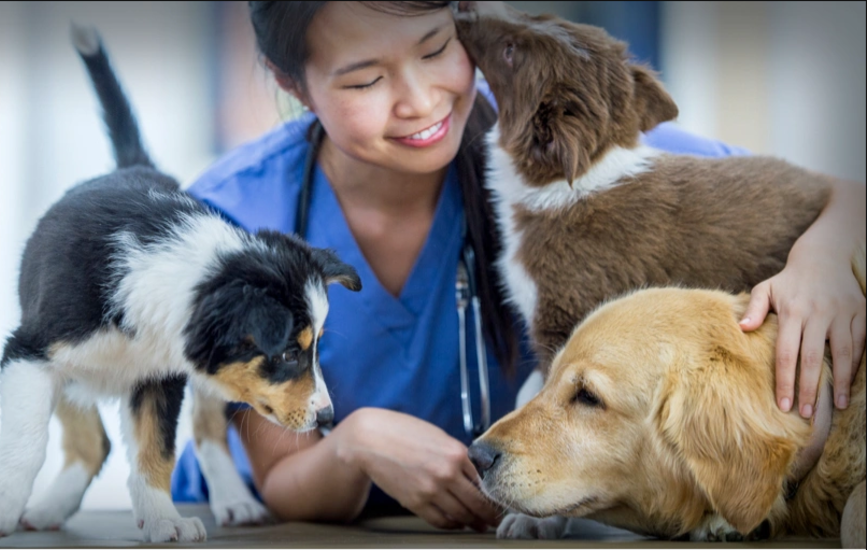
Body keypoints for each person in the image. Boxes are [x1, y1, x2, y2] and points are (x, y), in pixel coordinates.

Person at [172, 1, 866, 532]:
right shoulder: (232, 219)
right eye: (365, 80)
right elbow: (283, 478)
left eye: (436, 47)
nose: (419, 101)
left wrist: (827, 257)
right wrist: (353, 443)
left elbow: (848, 197)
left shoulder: (557, 133)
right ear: (291, 80)